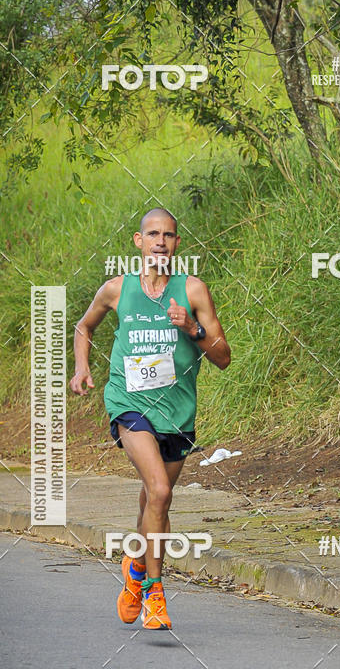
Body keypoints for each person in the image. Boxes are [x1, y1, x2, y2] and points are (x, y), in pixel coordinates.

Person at [69, 208, 231, 629]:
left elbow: (223, 358)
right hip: (129, 403)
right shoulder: (116, 289)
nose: (161, 241)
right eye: (153, 234)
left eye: (170, 235)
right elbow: (83, 327)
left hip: (177, 412)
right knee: (159, 490)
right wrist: (81, 367)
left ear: (177, 244)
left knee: (151, 499)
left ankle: (135, 567)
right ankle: (155, 596)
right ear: (139, 242)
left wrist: (192, 329)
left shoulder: (193, 290)